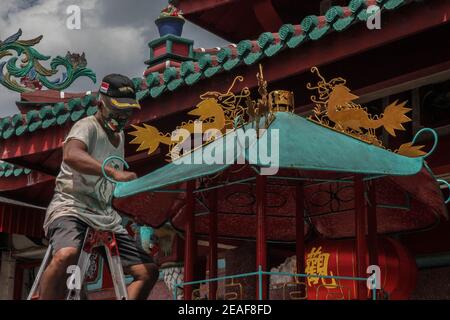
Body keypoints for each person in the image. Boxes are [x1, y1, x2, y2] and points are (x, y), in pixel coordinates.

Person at [39, 74, 159, 300]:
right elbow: (71, 154)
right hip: (71, 207)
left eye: (127, 111)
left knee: (148, 271)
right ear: (100, 104)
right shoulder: (87, 126)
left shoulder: (120, 135)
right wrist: (114, 173)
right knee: (66, 254)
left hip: (104, 214)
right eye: (118, 111)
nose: (123, 116)